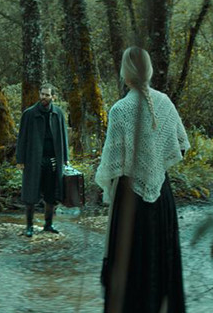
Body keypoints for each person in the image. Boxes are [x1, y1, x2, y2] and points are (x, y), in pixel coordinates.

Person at [96, 46, 189, 313]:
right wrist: (157, 163)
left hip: (130, 203)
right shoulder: (165, 103)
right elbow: (181, 146)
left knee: (130, 264)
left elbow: (112, 166)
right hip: (162, 199)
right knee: (161, 260)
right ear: (148, 70)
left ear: (126, 73)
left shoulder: (121, 110)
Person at [16, 83, 69, 237]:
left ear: (53, 97)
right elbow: (22, 138)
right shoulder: (29, 114)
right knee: (31, 195)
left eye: (47, 95)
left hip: (53, 160)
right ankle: (29, 226)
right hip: (33, 160)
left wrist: (65, 158)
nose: (43, 97)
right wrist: (20, 159)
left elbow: (63, 136)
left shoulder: (58, 113)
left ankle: (48, 224)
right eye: (42, 94)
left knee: (51, 195)